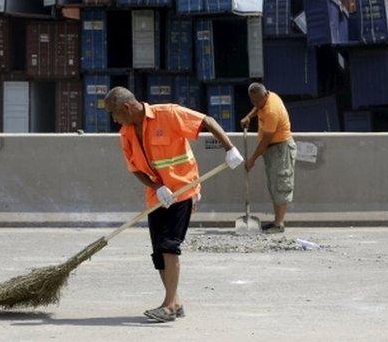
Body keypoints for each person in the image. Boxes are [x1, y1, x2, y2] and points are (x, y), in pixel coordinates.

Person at [104, 86, 243, 323]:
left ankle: (168, 306)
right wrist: (157, 187)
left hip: (183, 191)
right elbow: (135, 169)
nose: (114, 119)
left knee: (169, 246)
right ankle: (175, 302)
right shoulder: (126, 133)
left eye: (114, 114)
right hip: (157, 198)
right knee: (159, 252)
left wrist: (229, 148)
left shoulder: (167, 114)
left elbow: (206, 121)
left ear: (126, 108)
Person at [239, 82, 296, 234]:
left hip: (280, 149)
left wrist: (252, 159)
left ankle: (279, 224)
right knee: (274, 185)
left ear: (265, 95)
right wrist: (248, 116)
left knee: (281, 184)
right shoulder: (266, 99)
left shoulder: (272, 111)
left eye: (258, 100)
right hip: (271, 149)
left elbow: (266, 140)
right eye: (253, 101)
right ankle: (276, 221)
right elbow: (258, 107)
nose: (256, 104)